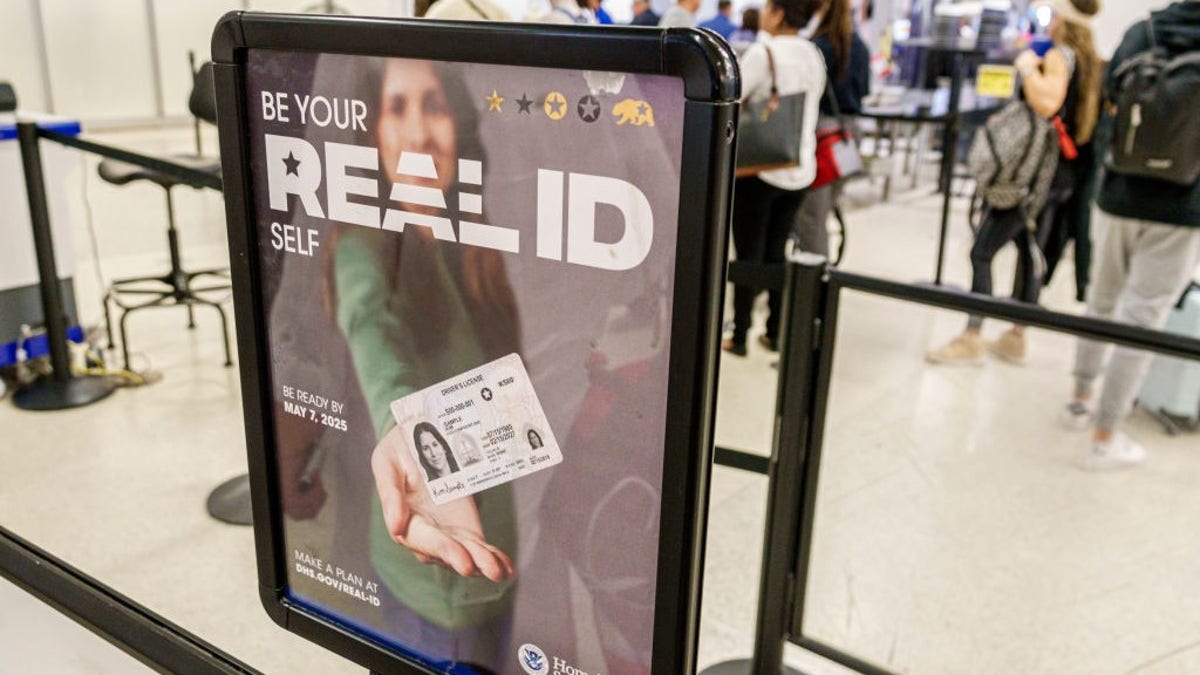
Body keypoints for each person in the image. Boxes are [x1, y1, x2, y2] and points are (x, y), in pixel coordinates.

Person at [331, 56, 520, 660]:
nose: (417, 132)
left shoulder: (474, 240)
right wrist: (400, 428)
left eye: (434, 105)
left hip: (496, 557)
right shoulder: (364, 246)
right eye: (397, 107)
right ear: (374, 132)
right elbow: (371, 331)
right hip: (433, 573)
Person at [1063, 0, 1200, 470]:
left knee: (1101, 302)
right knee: (1142, 320)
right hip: (1183, 207)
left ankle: (1079, 399)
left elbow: (1107, 106)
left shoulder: (1145, 30)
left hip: (1119, 192)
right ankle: (1106, 435)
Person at [926, 0, 1100, 365]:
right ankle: (1016, 335)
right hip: (1056, 177)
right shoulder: (1088, 60)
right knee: (1028, 251)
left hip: (1030, 178)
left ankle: (972, 335)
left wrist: (1026, 69)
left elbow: (1047, 103)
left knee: (983, 251)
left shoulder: (1059, 56)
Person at [723, 0, 826, 356]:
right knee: (776, 253)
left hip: (759, 171)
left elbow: (729, 98)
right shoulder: (813, 54)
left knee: (748, 255)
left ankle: (738, 337)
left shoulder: (762, 52)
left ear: (779, 12)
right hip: (799, 168)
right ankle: (775, 331)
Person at [791, 0, 870, 259]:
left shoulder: (819, 47)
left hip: (824, 136)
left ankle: (813, 288)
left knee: (811, 218)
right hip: (850, 137)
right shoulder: (860, 47)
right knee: (824, 211)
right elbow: (864, 91)